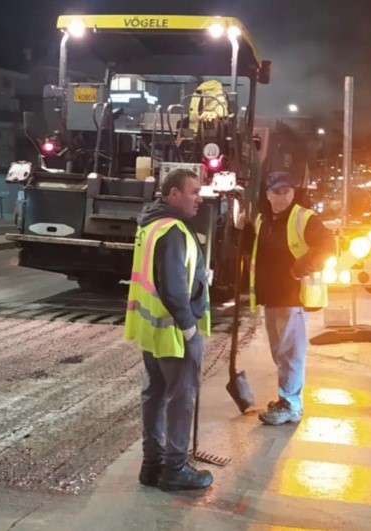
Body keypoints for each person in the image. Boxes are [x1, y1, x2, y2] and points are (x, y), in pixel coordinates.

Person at [124, 168, 213, 491]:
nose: (199, 198)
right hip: (173, 332)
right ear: (173, 194)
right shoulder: (173, 230)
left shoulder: (150, 224)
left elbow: (162, 273)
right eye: (193, 192)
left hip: (152, 330)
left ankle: (152, 465)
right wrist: (189, 328)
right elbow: (173, 287)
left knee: (155, 393)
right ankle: (175, 468)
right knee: (181, 397)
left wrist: (200, 277)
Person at [237, 171, 336, 426]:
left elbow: (328, 246)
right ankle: (286, 399)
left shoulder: (304, 217)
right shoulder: (263, 219)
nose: (282, 197)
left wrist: (300, 269)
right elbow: (257, 251)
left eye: (287, 192)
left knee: (291, 353)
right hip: (271, 296)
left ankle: (291, 404)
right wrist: (244, 233)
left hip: (293, 295)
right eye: (276, 192)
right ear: (267, 194)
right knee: (280, 353)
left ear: (293, 192)